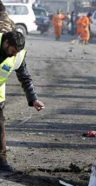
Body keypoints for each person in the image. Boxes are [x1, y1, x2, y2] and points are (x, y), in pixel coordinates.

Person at [0, 31, 45, 171]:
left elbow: (25, 78)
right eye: (13, 51)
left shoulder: (18, 55)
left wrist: (33, 99)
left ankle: (2, 161)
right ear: (6, 42)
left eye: (17, 52)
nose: (14, 55)